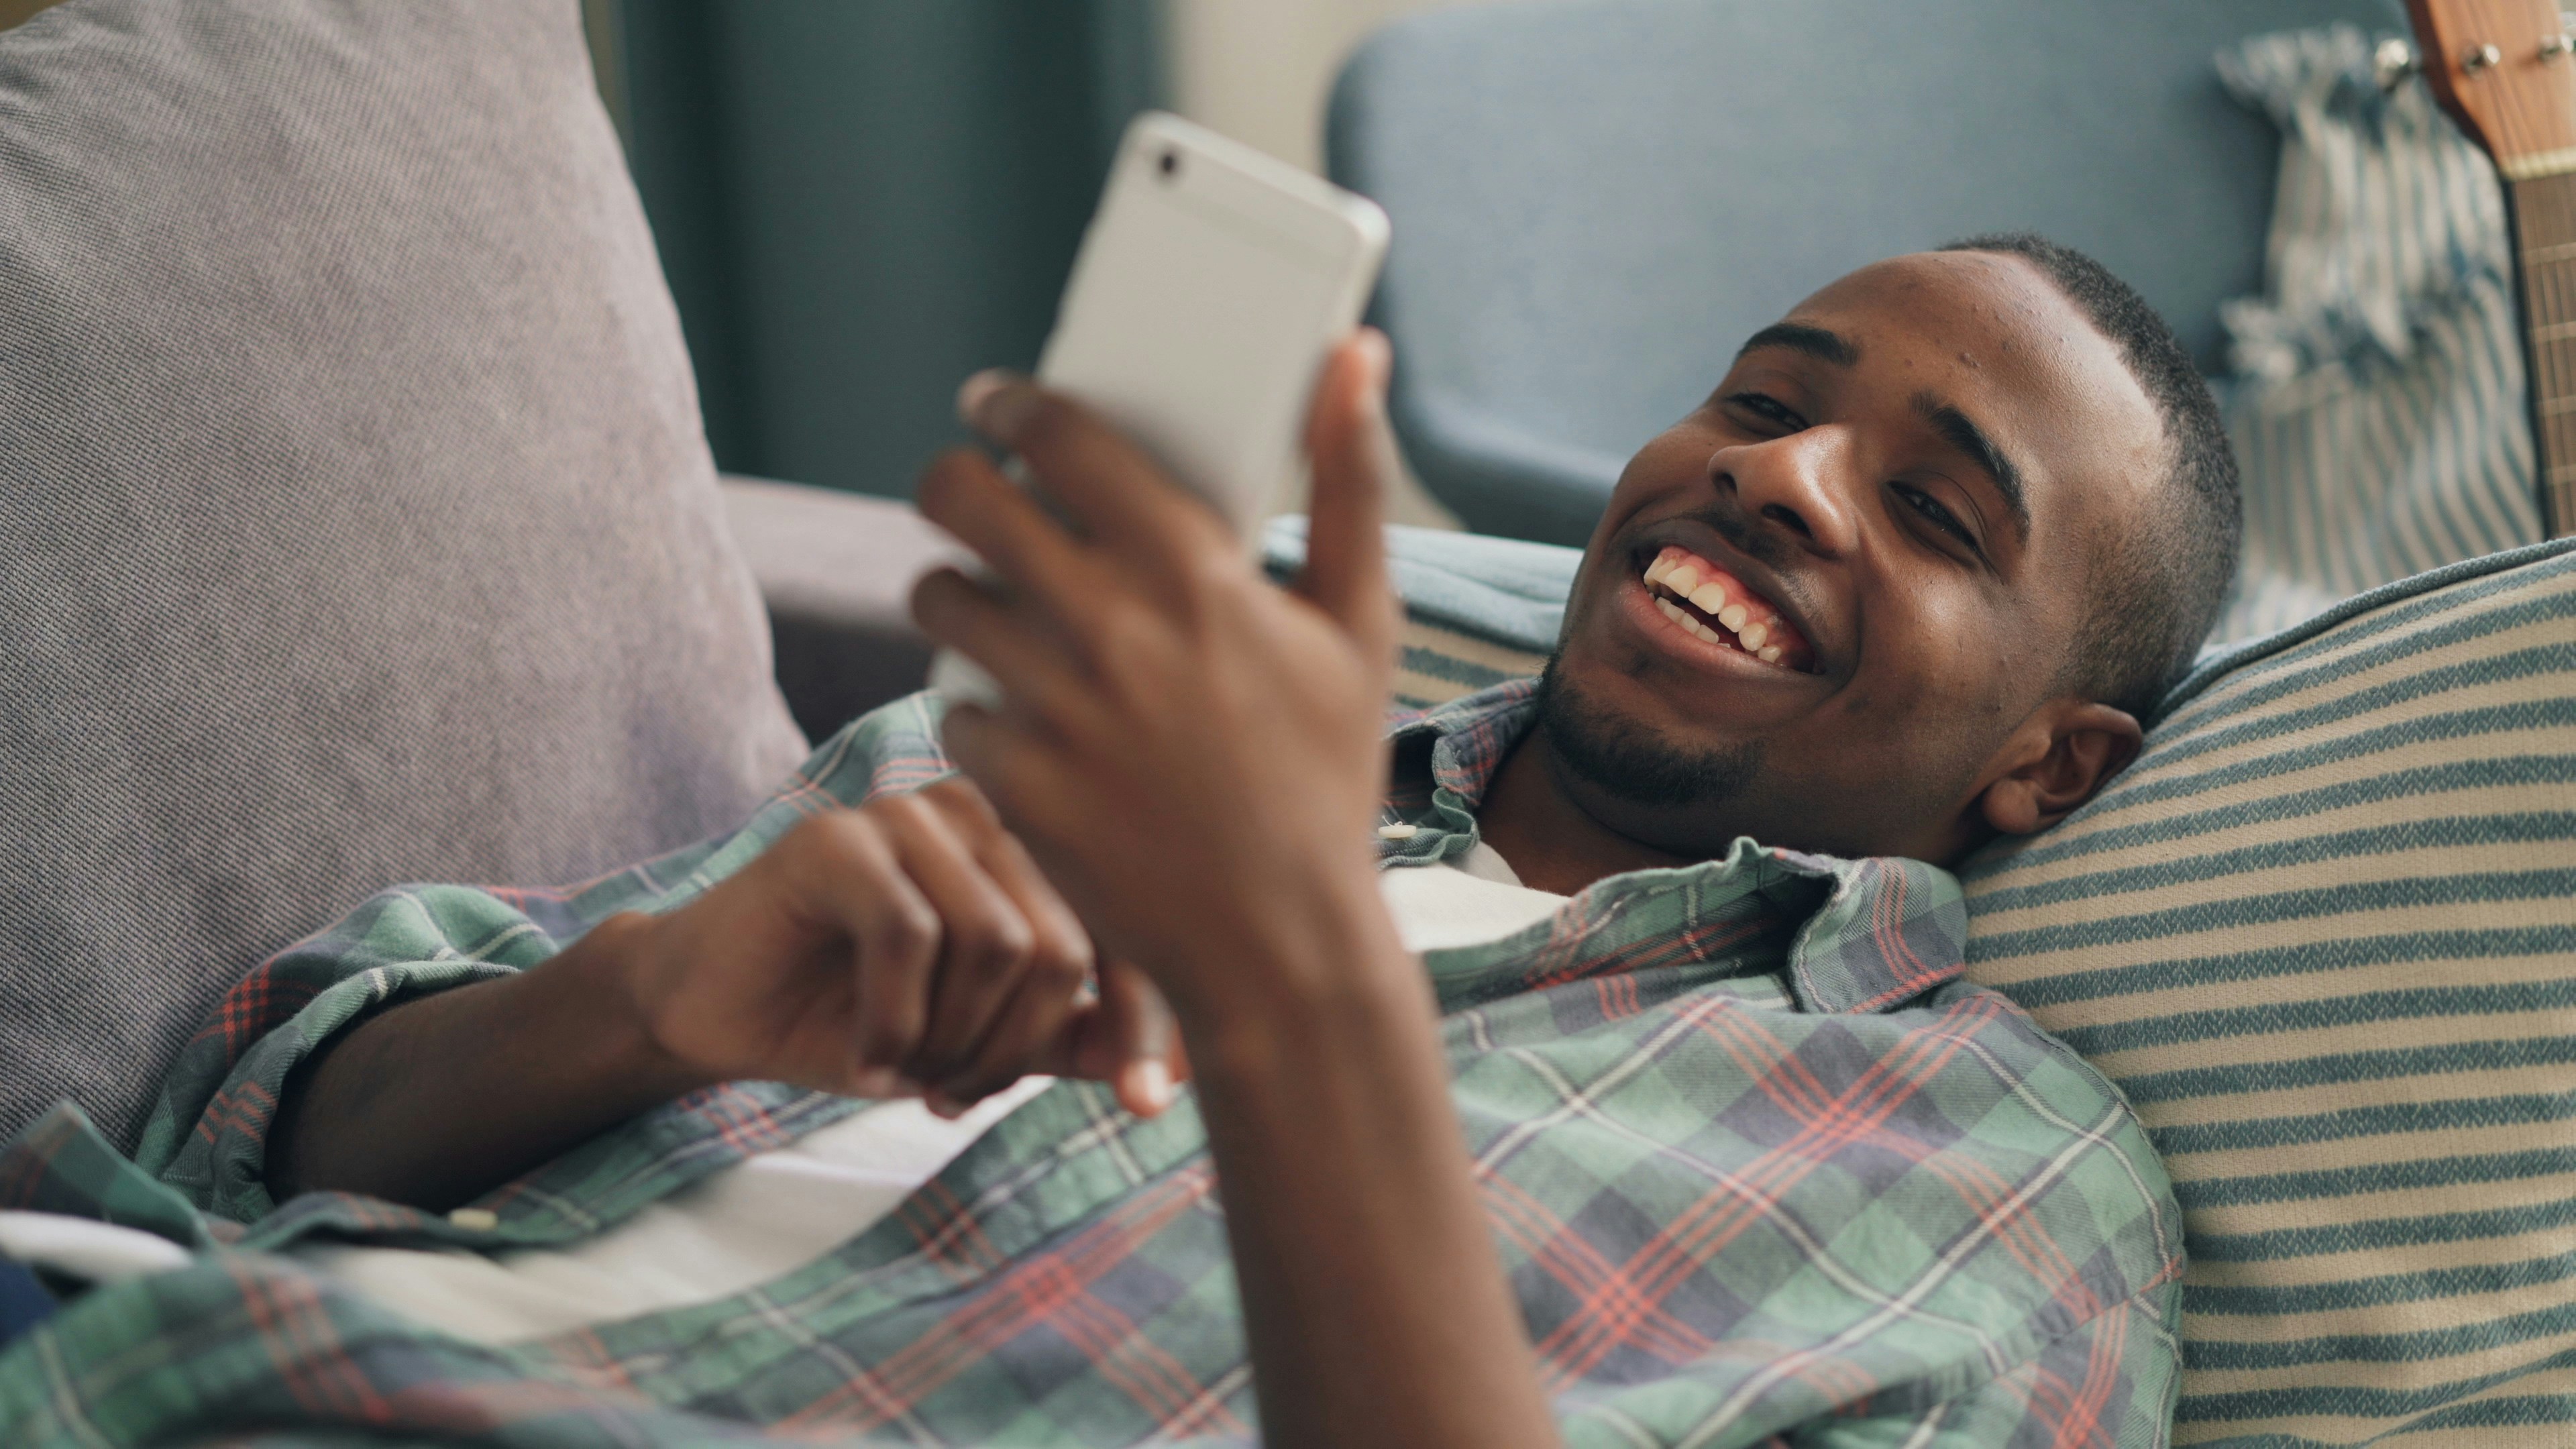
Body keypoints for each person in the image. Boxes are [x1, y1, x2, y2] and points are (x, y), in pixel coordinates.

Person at [5, 234, 2232, 1448]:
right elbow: (266, 1121)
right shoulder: (1059, 761)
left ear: (2046, 763)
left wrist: (1291, 986)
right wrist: (640, 1004)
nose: (1784, 480)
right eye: (1763, 400)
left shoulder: (1990, 1176)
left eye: (1932, 512)